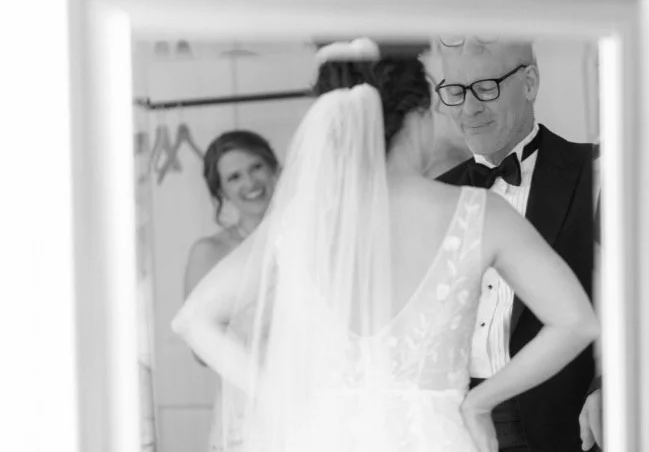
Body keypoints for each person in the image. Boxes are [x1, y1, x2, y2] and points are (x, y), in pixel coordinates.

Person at [172, 39, 598, 452]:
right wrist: (479, 402)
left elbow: (193, 320)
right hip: (436, 436)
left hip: (325, 436)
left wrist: (282, 398)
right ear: (416, 117)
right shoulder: (476, 210)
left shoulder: (302, 219)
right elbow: (576, 321)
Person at [434, 36, 602, 451]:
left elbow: (637, 306)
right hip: (457, 429)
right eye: (456, 92)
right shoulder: (435, 196)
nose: (470, 109)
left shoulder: (596, 171)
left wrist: (607, 386)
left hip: (569, 422)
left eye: (486, 87)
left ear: (529, 83)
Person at [182, 130, 280, 452]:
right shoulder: (209, 251)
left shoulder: (304, 239)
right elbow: (199, 351)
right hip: (245, 405)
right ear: (221, 191)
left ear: (273, 167)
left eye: (256, 167)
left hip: (310, 391)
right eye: (234, 177)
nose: (250, 183)